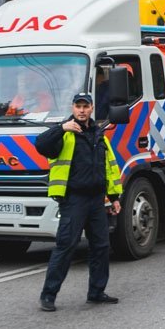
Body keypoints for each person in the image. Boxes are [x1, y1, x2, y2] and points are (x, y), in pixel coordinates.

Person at [32, 92, 123, 312]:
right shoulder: (64, 133)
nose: (82, 110)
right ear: (73, 108)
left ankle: (96, 292)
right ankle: (48, 295)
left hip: (96, 200)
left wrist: (114, 198)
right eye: (78, 106)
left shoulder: (99, 134)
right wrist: (61, 128)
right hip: (74, 199)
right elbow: (40, 145)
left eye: (86, 106)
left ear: (92, 108)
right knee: (66, 246)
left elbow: (109, 167)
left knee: (101, 247)